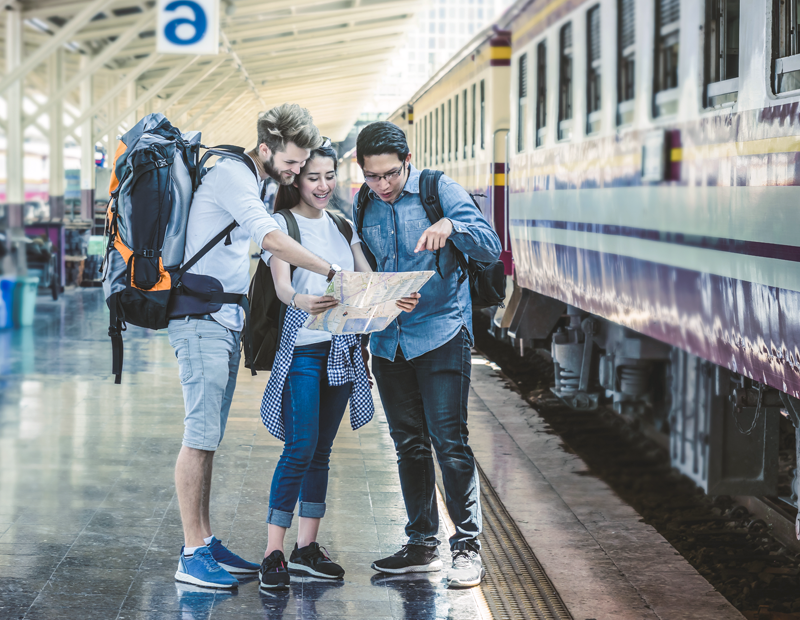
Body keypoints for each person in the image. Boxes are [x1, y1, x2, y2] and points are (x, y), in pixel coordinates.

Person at [170, 104, 345, 590]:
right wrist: (331, 271)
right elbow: (269, 236)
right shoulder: (233, 175)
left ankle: (205, 541)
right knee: (199, 435)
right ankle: (190, 552)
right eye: (291, 163)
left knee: (210, 437)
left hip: (222, 318)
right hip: (200, 318)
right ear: (265, 149)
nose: (295, 172)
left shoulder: (253, 177)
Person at [256, 143, 420, 590]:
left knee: (321, 453)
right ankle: (273, 553)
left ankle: (306, 548)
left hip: (341, 351)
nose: (324, 185)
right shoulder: (282, 225)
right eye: (313, 177)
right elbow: (283, 288)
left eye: (329, 176)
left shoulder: (344, 225)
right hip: (303, 352)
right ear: (296, 181)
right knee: (299, 448)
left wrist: (394, 298)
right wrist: (301, 300)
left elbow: (365, 284)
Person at [353, 122, 502, 588]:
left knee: (448, 441)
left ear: (408, 160)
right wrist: (378, 300)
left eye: (391, 174)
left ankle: (467, 549)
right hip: (388, 339)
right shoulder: (362, 202)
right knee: (408, 444)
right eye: (373, 176)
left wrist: (453, 224)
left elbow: (492, 246)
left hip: (441, 332)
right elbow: (365, 272)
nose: (383, 185)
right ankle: (421, 544)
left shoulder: (440, 189)